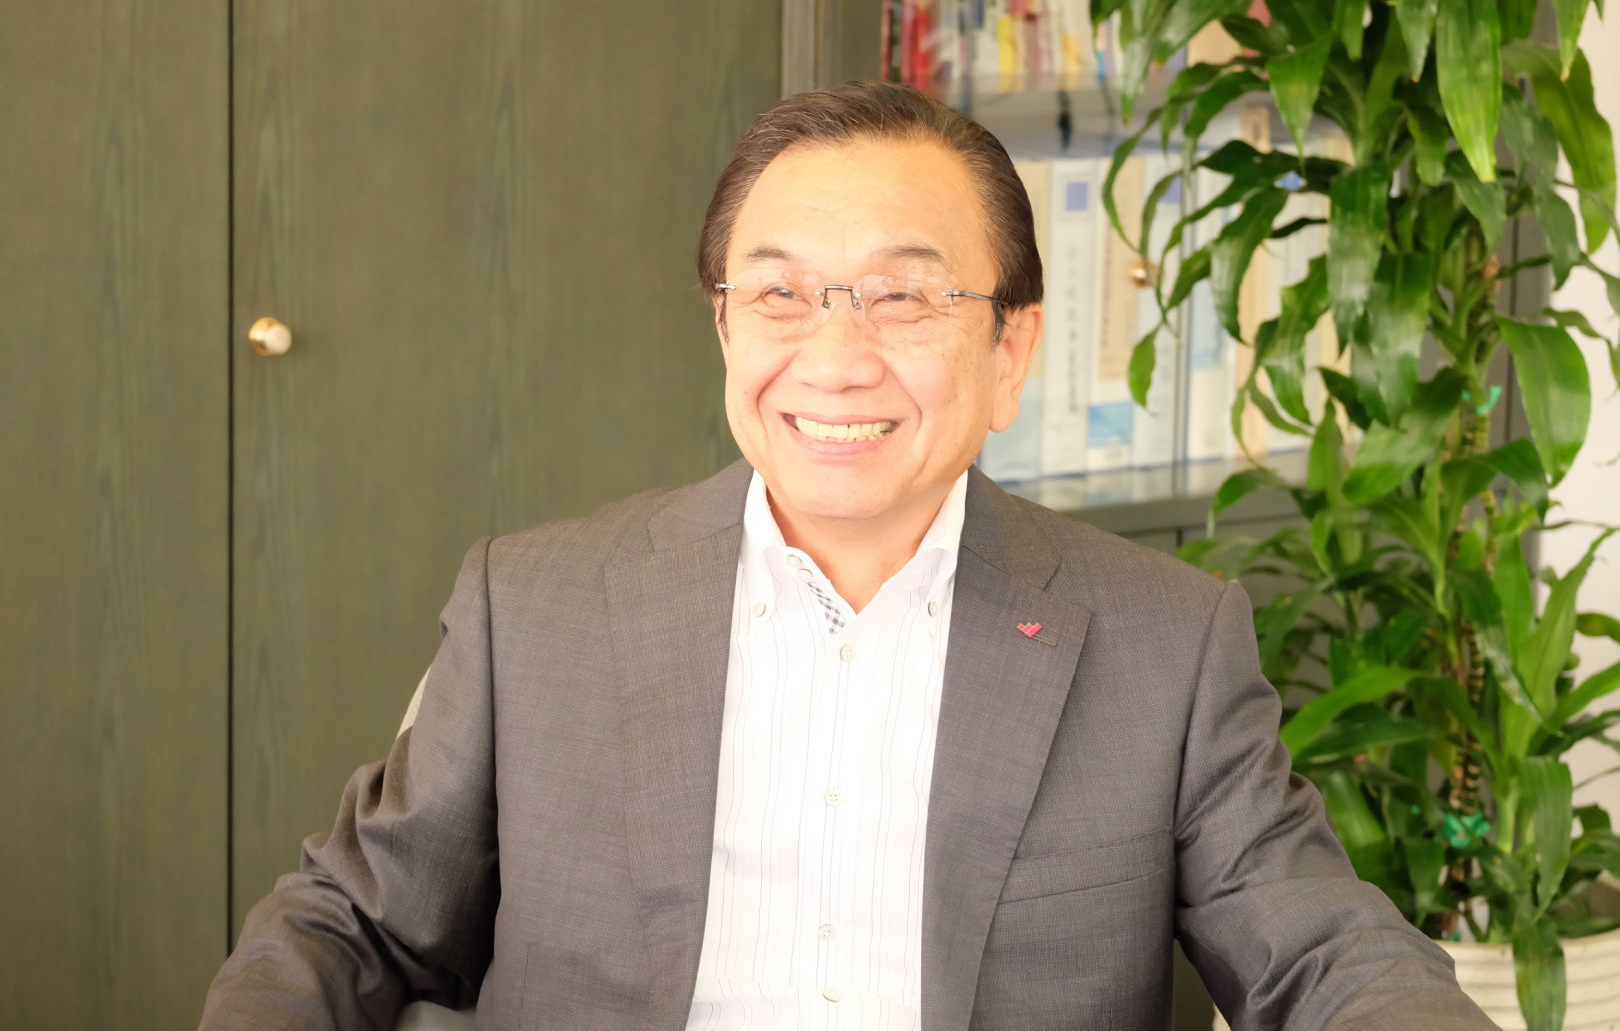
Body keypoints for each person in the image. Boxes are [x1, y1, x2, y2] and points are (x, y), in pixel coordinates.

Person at [201, 81, 1493, 1031]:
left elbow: (1322, 953)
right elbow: (350, 925)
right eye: (778, 294)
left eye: (904, 296)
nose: (833, 358)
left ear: (1012, 349)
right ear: (725, 330)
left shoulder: (1165, 642)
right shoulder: (534, 608)